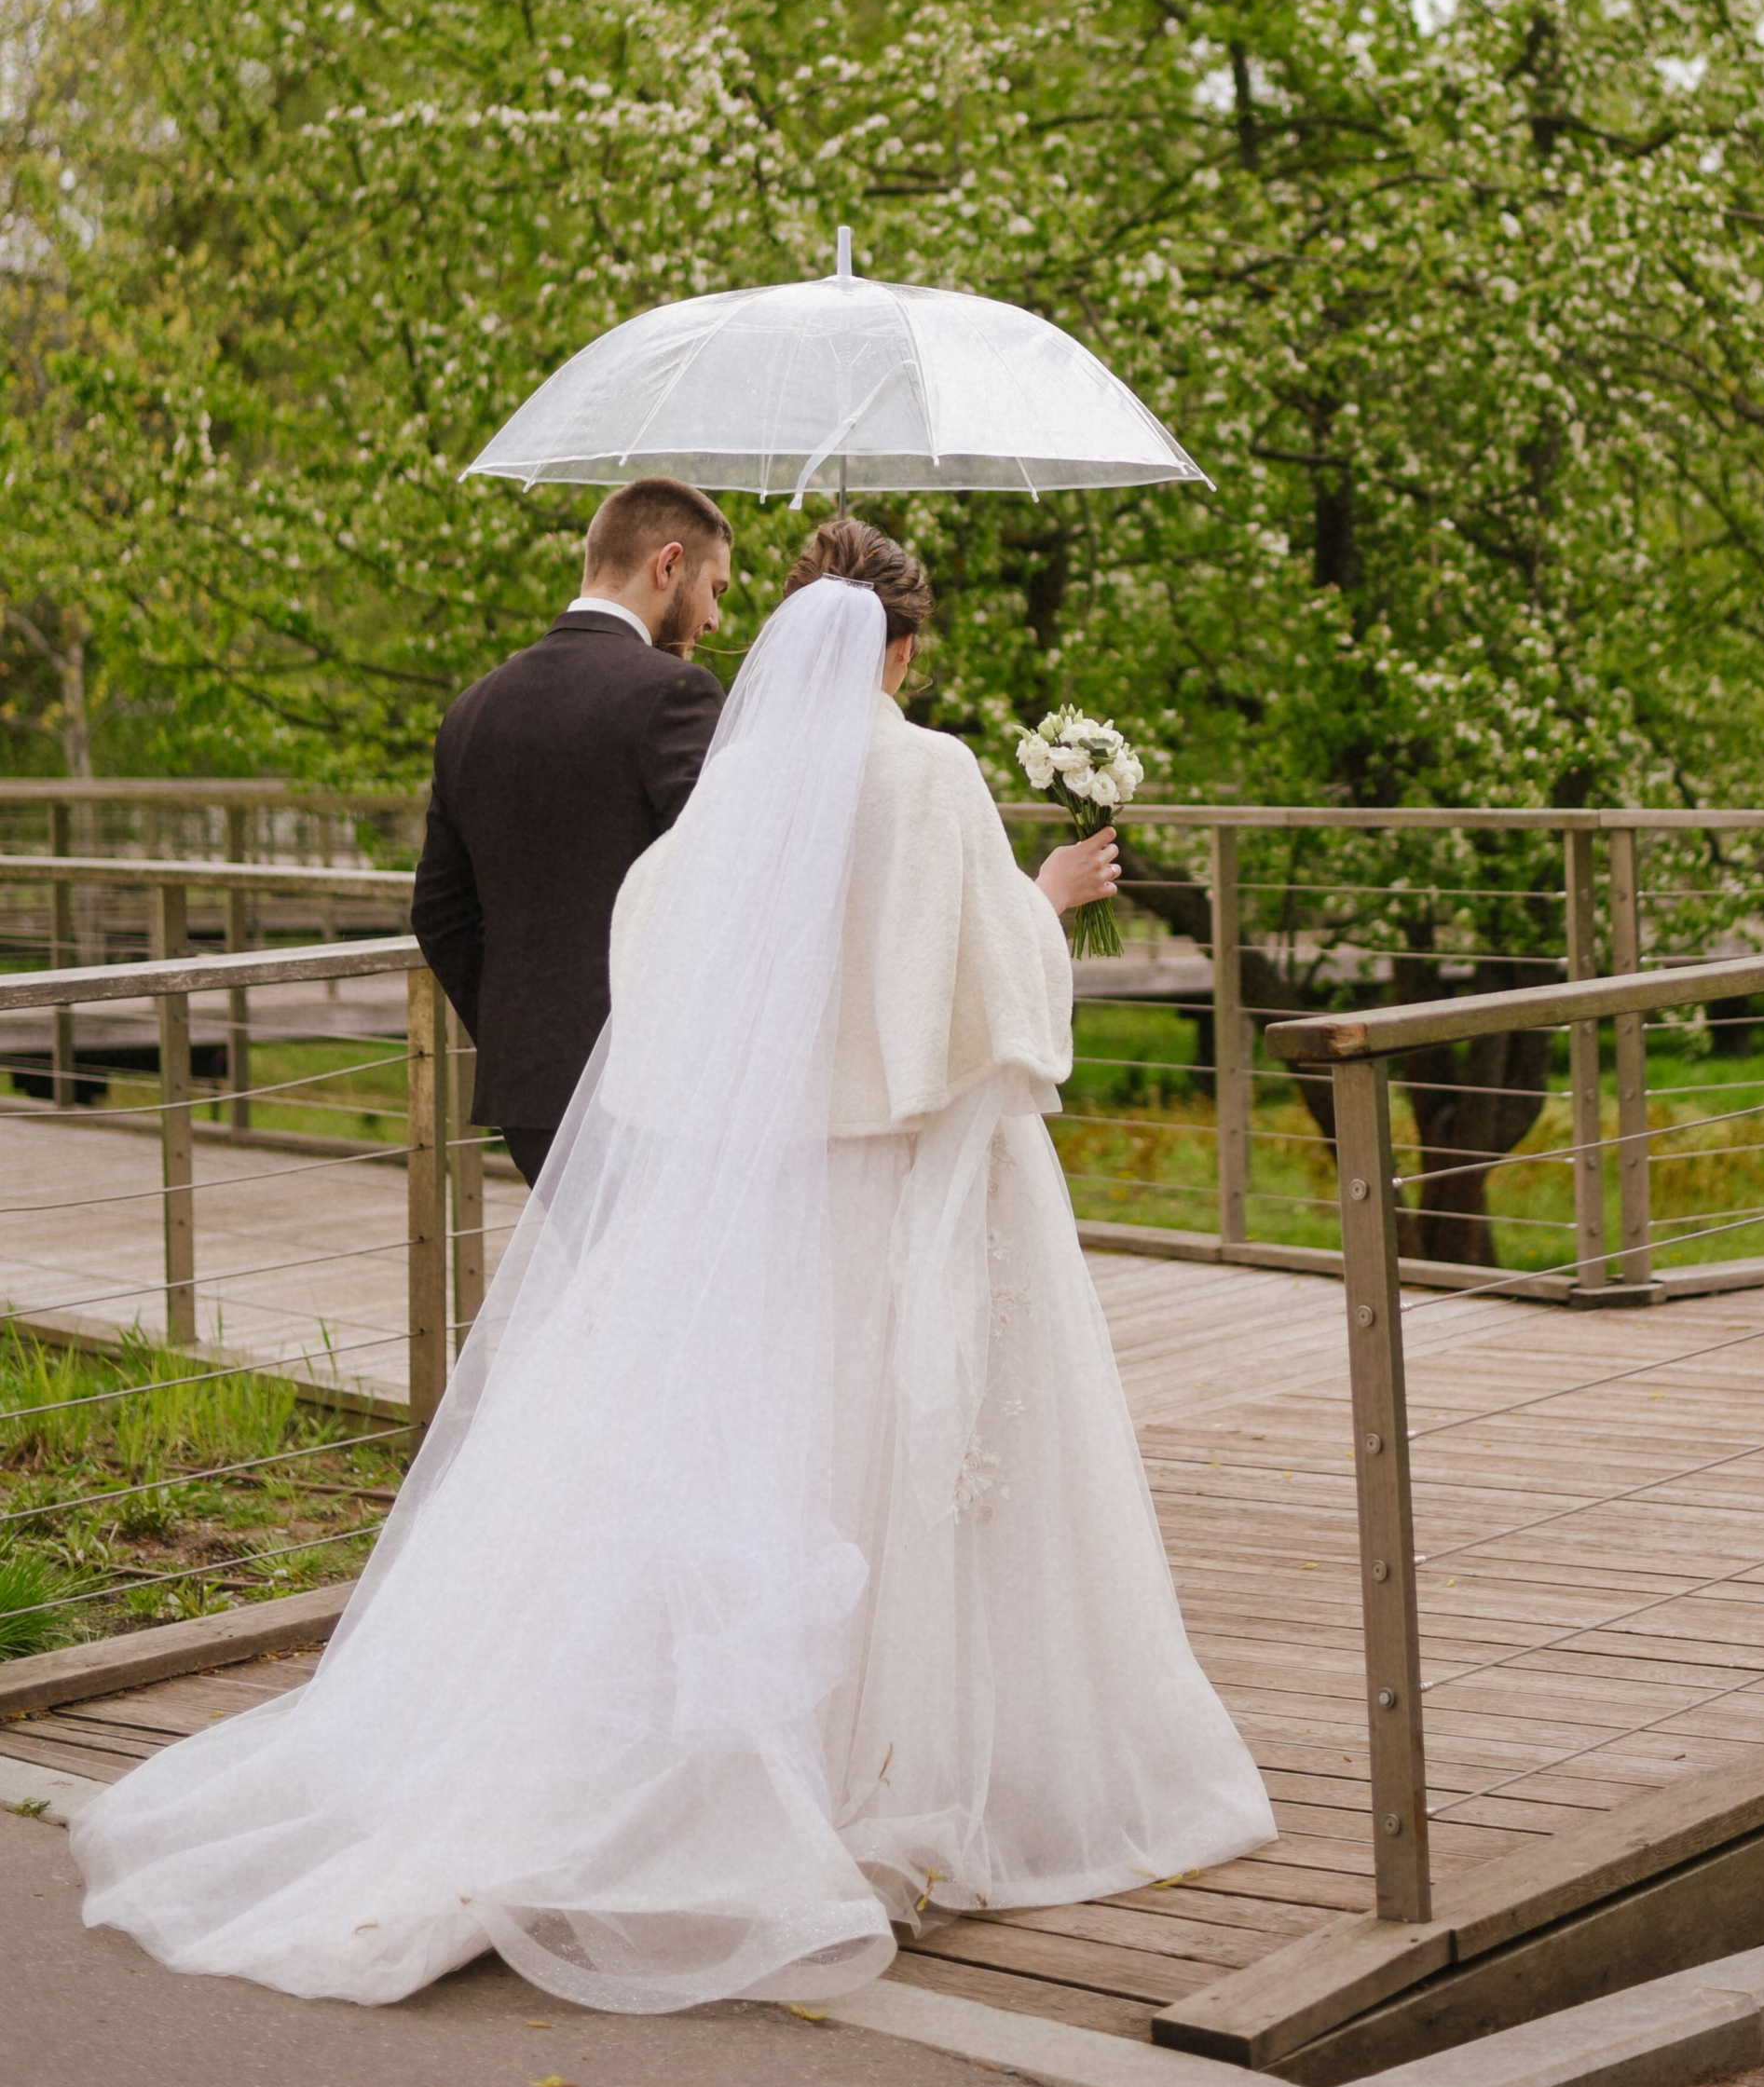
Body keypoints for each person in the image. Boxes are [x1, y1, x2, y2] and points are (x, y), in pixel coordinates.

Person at [72, 524, 1273, 2010]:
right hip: (906, 1184)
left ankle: (736, 1764)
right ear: (902, 649)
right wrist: (1051, 893)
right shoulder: (932, 772)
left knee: (772, 1458)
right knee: (902, 1468)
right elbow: (991, 994)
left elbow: (662, 955)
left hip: (775, 1193)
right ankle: (894, 1773)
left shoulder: (741, 786)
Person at [410, 476, 733, 1186]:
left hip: (529, 1093)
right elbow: (723, 884)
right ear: (669, 563)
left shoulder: (472, 707)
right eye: (716, 589)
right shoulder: (675, 692)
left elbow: (438, 913)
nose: (715, 620)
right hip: (652, 1091)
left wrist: (521, 1028)